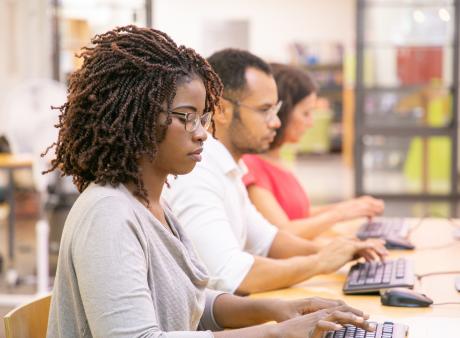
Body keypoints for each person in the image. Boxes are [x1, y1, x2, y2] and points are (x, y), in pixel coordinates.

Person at [44, 26, 376, 338]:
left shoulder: (152, 203)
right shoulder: (109, 214)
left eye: (202, 117)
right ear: (139, 118)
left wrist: (277, 309)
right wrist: (276, 332)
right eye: (186, 117)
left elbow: (191, 302)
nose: (203, 132)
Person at [163, 48, 387, 295]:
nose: (275, 122)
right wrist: (319, 262)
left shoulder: (229, 168)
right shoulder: (198, 174)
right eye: (264, 110)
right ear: (221, 110)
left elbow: (268, 240)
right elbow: (231, 275)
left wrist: (344, 250)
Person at [242, 63, 384, 240]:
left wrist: (350, 208)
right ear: (282, 113)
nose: (310, 123)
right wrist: (339, 214)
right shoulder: (251, 166)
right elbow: (283, 233)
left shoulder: (277, 159)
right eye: (306, 113)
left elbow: (298, 214)